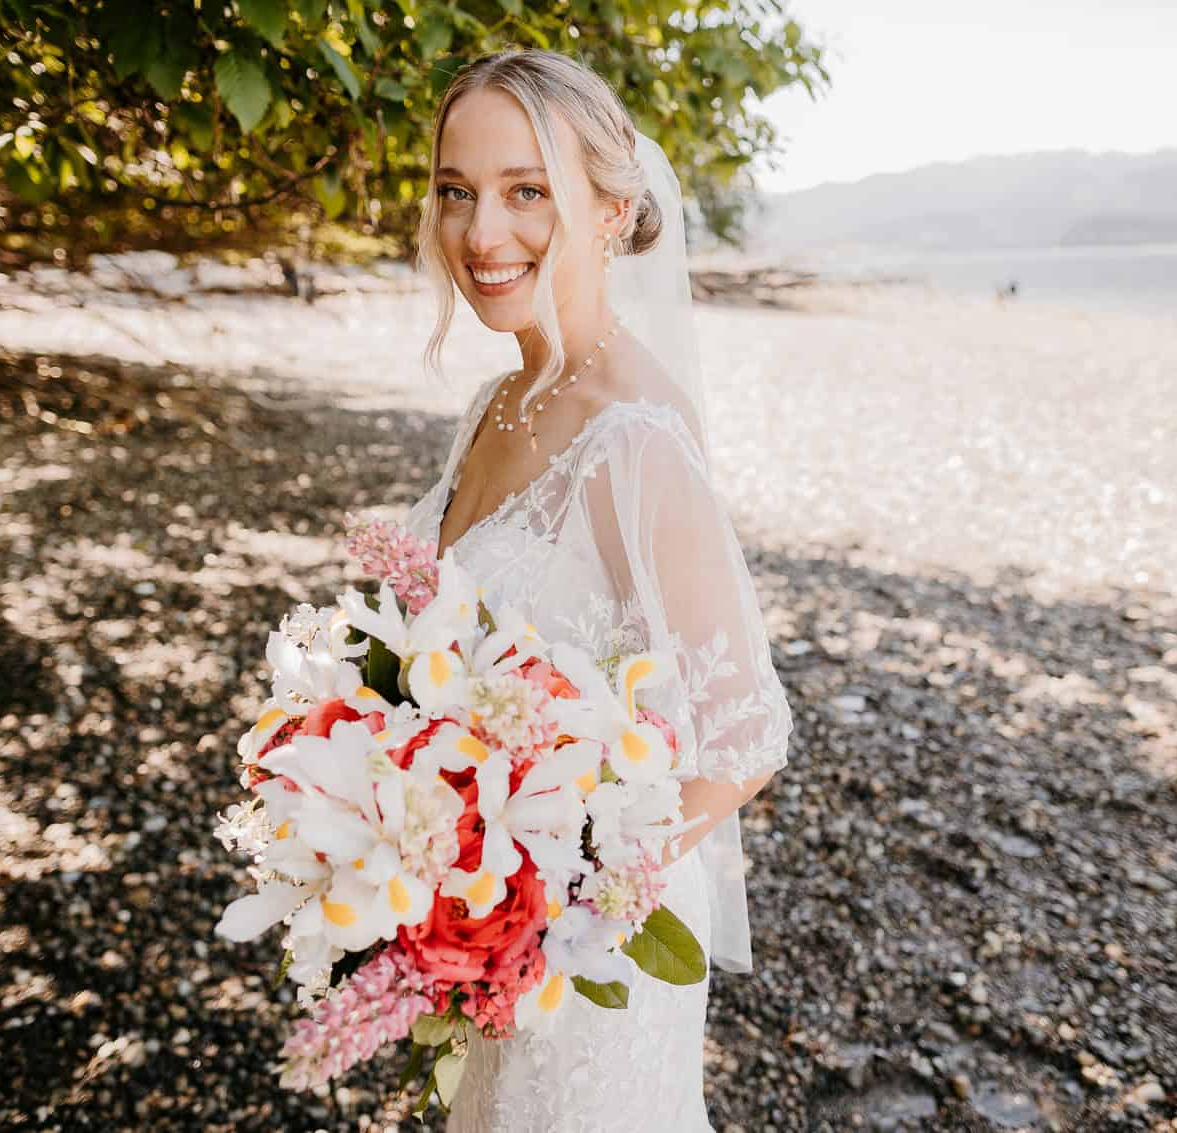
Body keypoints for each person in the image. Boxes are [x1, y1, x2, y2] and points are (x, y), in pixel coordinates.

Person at [400, 49, 794, 1132]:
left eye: (528, 191)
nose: (482, 234)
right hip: (489, 932)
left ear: (614, 213)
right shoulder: (498, 399)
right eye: (456, 192)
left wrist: (552, 897)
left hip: (587, 959)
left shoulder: (632, 433)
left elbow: (744, 730)